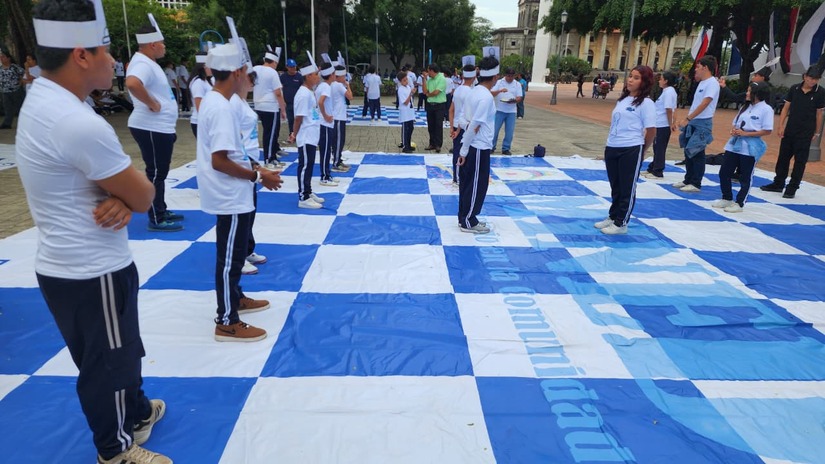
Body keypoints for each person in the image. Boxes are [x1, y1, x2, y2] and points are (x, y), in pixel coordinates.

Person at [16, 0, 169, 462]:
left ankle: (137, 412)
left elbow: (125, 194)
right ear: (80, 55)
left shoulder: (47, 100)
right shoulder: (76, 122)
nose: (114, 60)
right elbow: (145, 196)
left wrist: (121, 196)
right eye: (105, 49)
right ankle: (116, 450)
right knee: (108, 362)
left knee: (123, 347)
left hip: (78, 263)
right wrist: (129, 196)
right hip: (89, 267)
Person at [196, 42, 282, 342]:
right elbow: (219, 161)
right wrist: (259, 175)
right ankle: (226, 320)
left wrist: (256, 167)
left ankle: (236, 298)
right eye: (245, 70)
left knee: (233, 254)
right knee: (230, 257)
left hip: (234, 191)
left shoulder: (219, 101)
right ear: (236, 72)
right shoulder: (220, 107)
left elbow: (234, 152)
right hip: (229, 193)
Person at [125, 19, 182, 231]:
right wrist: (152, 103)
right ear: (152, 45)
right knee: (156, 173)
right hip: (150, 127)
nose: (164, 46)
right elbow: (132, 83)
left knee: (160, 172)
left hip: (159, 127)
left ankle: (160, 208)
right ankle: (156, 217)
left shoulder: (148, 63)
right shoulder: (141, 63)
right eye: (162, 42)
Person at [230, 68, 281, 276]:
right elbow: (234, 140)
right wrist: (254, 167)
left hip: (250, 160)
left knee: (250, 209)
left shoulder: (242, 102)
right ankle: (236, 256)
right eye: (250, 79)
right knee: (240, 212)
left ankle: (247, 249)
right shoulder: (232, 104)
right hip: (242, 162)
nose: (253, 83)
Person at [594, 65, 656, 235]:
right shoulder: (623, 99)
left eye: (636, 78)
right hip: (613, 146)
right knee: (616, 186)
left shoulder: (646, 103)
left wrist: (643, 150)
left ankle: (622, 222)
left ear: (644, 82)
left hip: (631, 148)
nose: (630, 80)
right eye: (630, 76)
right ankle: (613, 216)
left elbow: (651, 130)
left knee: (627, 187)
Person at [760, 66, 825, 199]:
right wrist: (781, 125)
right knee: (783, 157)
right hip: (790, 129)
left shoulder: (820, 92)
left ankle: (793, 187)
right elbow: (786, 108)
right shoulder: (794, 88)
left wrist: (817, 132)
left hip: (806, 132)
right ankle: (778, 183)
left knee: (800, 161)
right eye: (811, 78)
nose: (813, 81)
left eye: (816, 79)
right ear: (805, 76)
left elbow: (819, 113)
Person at [712, 81, 774, 213]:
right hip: (734, 144)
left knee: (745, 176)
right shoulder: (745, 107)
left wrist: (747, 133)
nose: (747, 93)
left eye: (749, 91)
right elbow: (736, 123)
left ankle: (740, 202)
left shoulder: (766, 109)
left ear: (757, 94)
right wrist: (734, 130)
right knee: (724, 172)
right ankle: (727, 197)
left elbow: (767, 130)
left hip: (750, 147)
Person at [456, 55, 498, 234]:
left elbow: (462, 120)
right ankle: (468, 220)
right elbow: (474, 125)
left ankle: (464, 217)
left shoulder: (473, 91)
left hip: (473, 145)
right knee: (477, 185)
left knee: (467, 183)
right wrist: (464, 151)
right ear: (495, 77)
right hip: (479, 147)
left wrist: (464, 147)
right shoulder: (485, 97)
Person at [674, 55, 719, 192]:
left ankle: (695, 182)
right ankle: (688, 178)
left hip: (702, 122)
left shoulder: (712, 83)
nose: (696, 70)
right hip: (694, 120)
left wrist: (688, 118)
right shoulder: (702, 83)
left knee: (697, 152)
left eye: (698, 67)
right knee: (688, 151)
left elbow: (705, 103)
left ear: (705, 68)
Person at [289, 53, 325, 209]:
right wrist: (294, 133)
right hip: (305, 135)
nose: (318, 77)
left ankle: (308, 191)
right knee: (304, 165)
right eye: (316, 74)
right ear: (308, 76)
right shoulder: (303, 94)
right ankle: (303, 196)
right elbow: (299, 117)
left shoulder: (310, 92)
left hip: (312, 135)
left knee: (309, 164)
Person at [253, 46, 288, 167]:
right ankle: (269, 159)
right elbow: (278, 93)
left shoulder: (255, 69)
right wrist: (283, 109)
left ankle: (271, 156)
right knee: (271, 133)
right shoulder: (272, 72)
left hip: (258, 105)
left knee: (267, 132)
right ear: (274, 62)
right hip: (270, 106)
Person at [642, 71, 677, 179]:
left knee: (660, 148)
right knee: (657, 147)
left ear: (666, 81)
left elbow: (669, 109)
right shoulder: (666, 91)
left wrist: (670, 124)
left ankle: (658, 171)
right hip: (660, 123)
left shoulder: (669, 92)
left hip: (663, 124)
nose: (659, 81)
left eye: (661, 79)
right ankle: (652, 167)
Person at [449, 57, 475, 184]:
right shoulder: (471, 92)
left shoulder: (458, 89)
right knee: (463, 153)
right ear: (474, 77)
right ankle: (460, 177)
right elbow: (465, 114)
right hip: (463, 127)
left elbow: (451, 110)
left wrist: (451, 128)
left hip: (456, 125)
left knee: (457, 152)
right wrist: (459, 130)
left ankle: (456, 176)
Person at [491, 67, 523, 155]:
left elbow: (519, 97)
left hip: (511, 111)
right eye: (508, 76)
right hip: (499, 109)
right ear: (505, 75)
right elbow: (492, 93)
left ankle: (506, 148)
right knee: (495, 130)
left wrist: (514, 100)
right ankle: (492, 146)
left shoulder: (517, 84)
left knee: (509, 131)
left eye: (512, 76)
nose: (510, 78)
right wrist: (500, 91)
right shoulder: (499, 82)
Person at [316, 59, 338, 186]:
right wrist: (326, 116)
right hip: (324, 124)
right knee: (325, 151)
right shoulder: (325, 87)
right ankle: (324, 177)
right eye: (334, 74)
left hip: (325, 123)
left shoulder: (323, 86)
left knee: (327, 150)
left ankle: (327, 174)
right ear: (330, 75)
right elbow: (320, 102)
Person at [331, 57, 353, 172]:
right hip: (338, 117)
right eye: (344, 76)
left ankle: (337, 159)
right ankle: (336, 163)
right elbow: (350, 96)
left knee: (337, 140)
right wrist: (347, 85)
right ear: (339, 76)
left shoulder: (333, 84)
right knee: (339, 140)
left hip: (337, 116)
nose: (345, 78)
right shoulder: (338, 85)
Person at [423, 63, 447, 153]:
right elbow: (425, 91)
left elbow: (436, 92)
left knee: (438, 125)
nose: (427, 73)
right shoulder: (429, 79)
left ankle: (438, 144)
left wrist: (429, 94)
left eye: (428, 71)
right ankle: (432, 143)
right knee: (431, 125)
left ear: (432, 71)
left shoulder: (442, 78)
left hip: (439, 105)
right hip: (430, 105)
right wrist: (424, 80)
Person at [188, 52, 212, 137]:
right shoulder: (198, 82)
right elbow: (199, 106)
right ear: (204, 67)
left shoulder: (206, 81)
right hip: (200, 121)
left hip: (206, 120)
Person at [0, 49, 25, 129]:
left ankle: (23, 123)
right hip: (4, 91)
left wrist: (20, 84)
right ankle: (7, 123)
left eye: (3, 57)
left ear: (8, 58)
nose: (1, 59)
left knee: (19, 107)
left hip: (15, 90)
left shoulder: (14, 67)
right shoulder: (0, 68)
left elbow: (22, 75)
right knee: (7, 108)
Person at [279, 58, 303, 136]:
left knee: (299, 119)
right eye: (291, 67)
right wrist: (283, 102)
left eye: (294, 67)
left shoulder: (299, 76)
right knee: (291, 120)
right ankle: (292, 134)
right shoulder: (283, 77)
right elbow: (280, 89)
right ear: (287, 67)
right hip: (288, 103)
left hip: (298, 102)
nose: (293, 68)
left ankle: (299, 134)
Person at [397, 71, 415, 153]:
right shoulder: (400, 89)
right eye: (404, 80)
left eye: (406, 80)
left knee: (411, 128)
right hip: (404, 112)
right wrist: (411, 94)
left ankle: (408, 144)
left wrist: (411, 92)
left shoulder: (408, 87)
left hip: (410, 111)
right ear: (400, 81)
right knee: (405, 129)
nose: (406, 81)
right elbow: (405, 102)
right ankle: (405, 146)